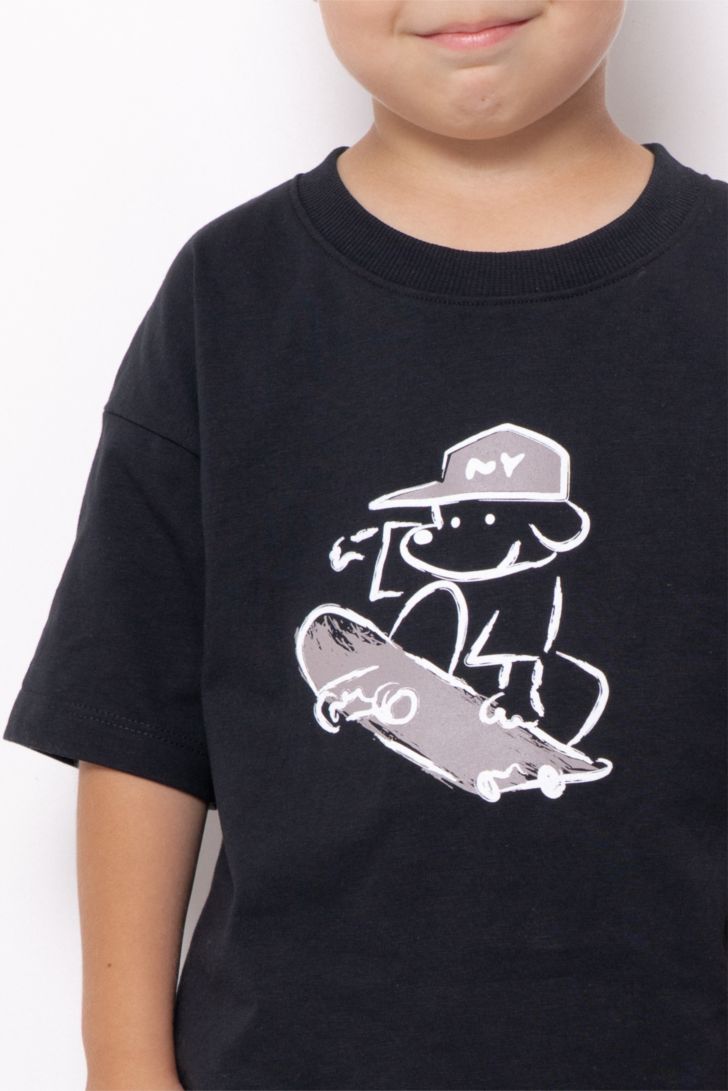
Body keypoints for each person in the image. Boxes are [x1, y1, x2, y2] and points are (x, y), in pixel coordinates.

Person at [3, 1, 726, 1088]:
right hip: (285, 1060)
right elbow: (134, 723)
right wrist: (123, 1066)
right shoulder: (231, 295)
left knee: (537, 667)